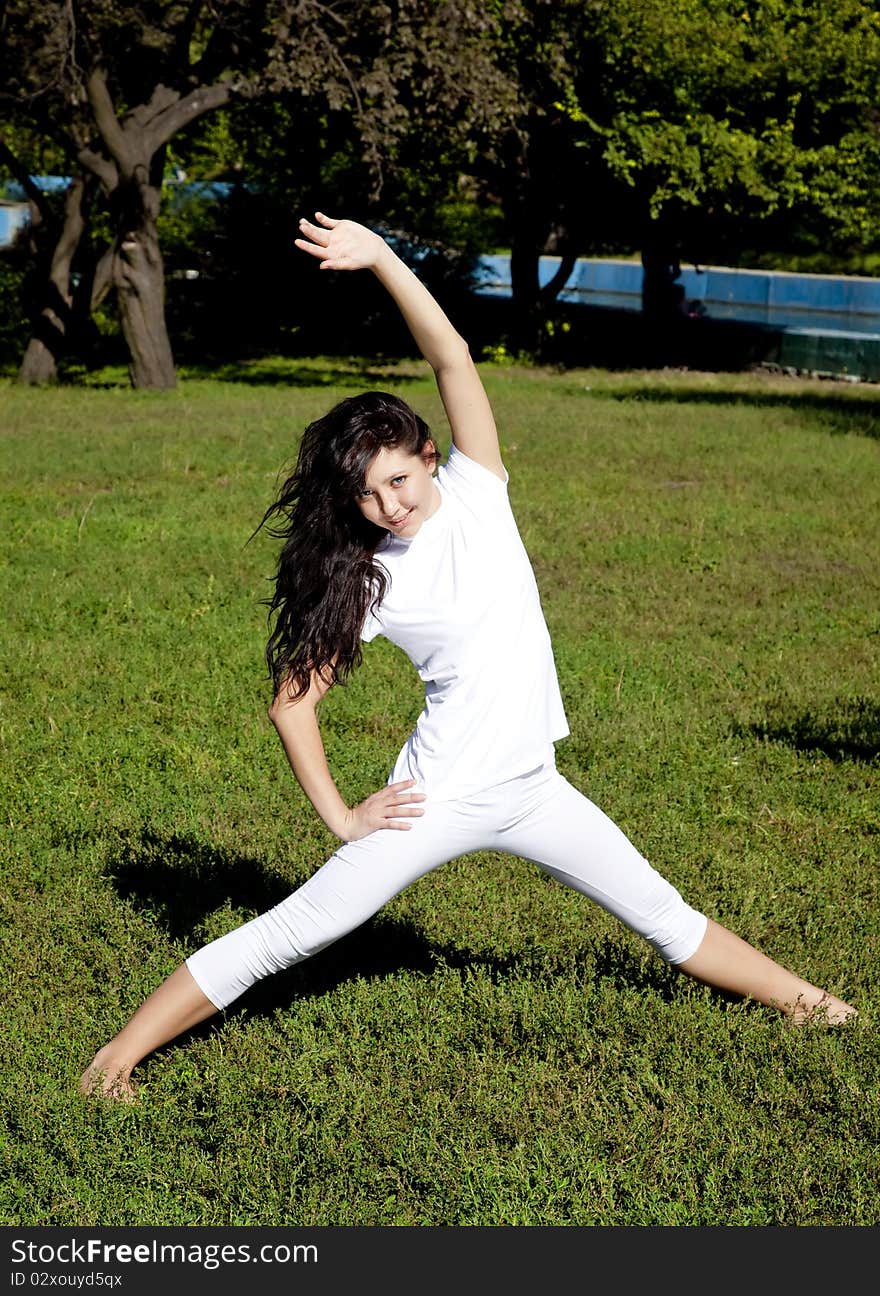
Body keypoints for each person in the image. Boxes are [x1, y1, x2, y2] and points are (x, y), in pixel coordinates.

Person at [81, 213, 856, 1101]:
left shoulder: (480, 490)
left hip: (532, 786)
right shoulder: (368, 580)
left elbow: (451, 356)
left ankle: (819, 1008)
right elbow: (291, 704)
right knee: (292, 933)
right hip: (435, 799)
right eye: (368, 494)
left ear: (427, 457)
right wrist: (342, 817)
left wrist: (381, 260)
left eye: (400, 479)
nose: (389, 504)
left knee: (666, 918)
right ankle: (114, 1061)